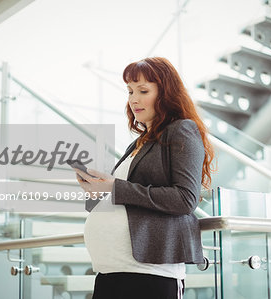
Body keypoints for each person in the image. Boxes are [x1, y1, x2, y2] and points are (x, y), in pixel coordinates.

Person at [73, 57, 214, 299]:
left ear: (166, 93)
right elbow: (125, 193)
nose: (134, 99)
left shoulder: (182, 130)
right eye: (130, 91)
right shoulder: (138, 144)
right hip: (111, 272)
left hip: (150, 273)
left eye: (143, 90)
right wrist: (99, 192)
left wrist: (115, 187)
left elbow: (185, 198)